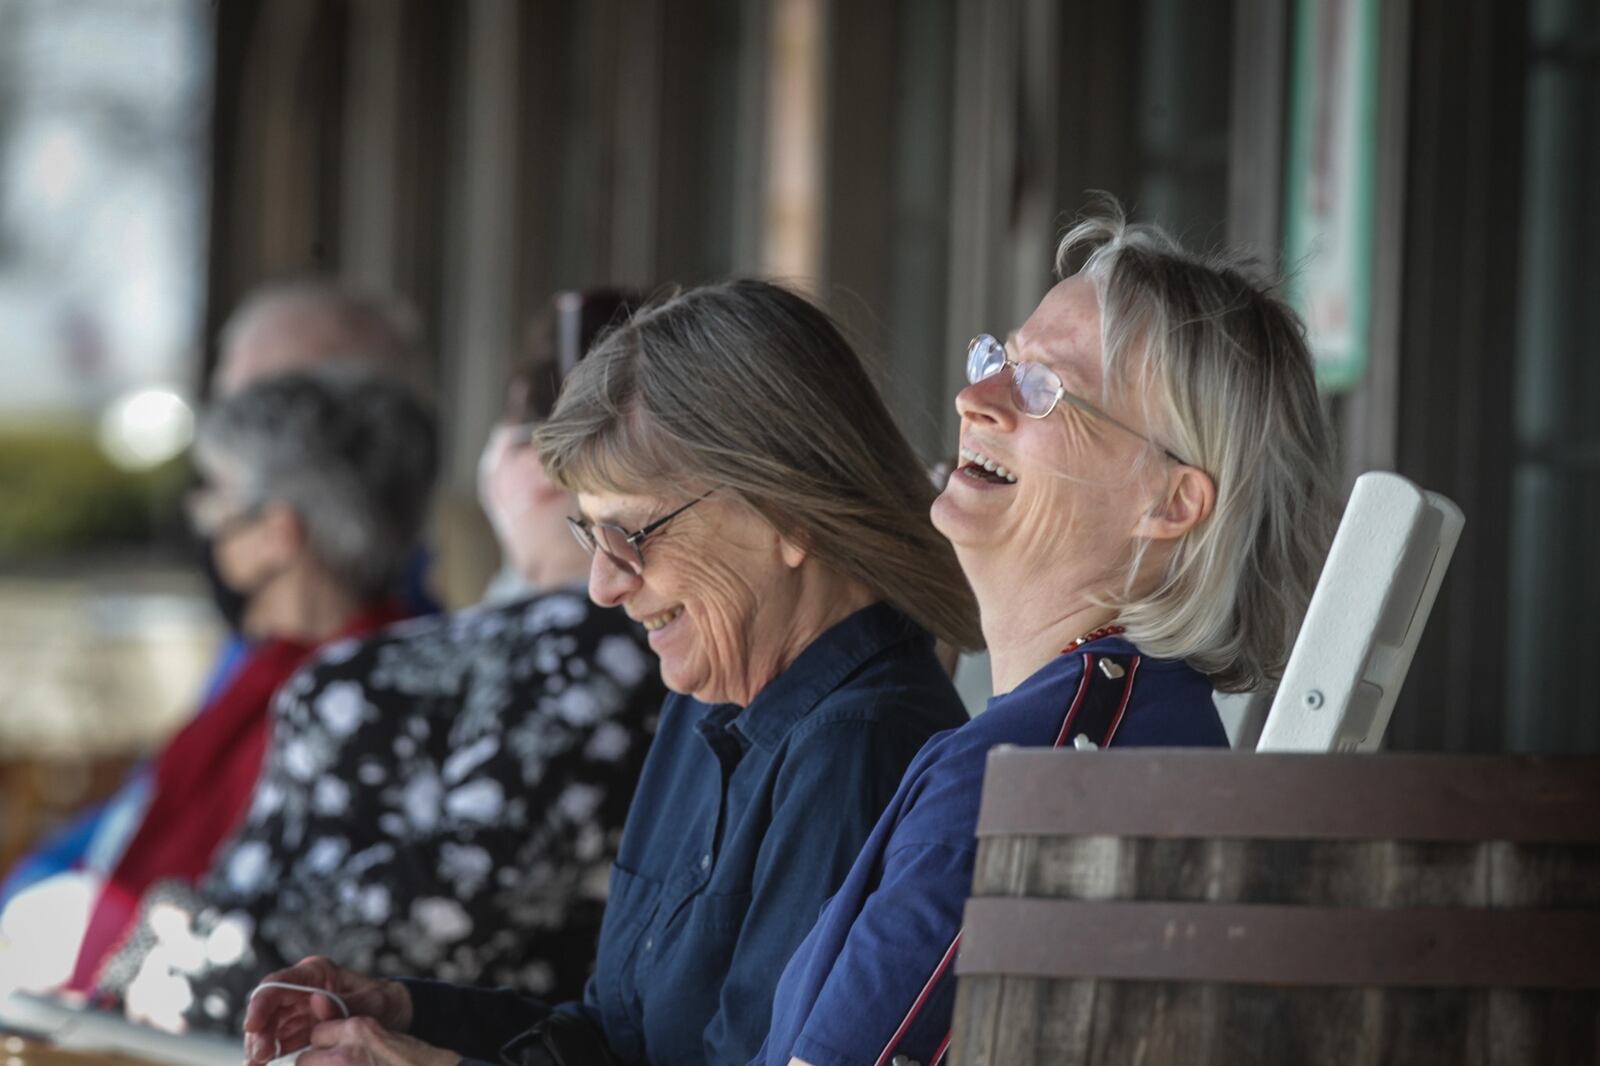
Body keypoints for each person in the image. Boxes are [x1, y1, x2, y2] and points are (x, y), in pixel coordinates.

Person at [242, 279, 984, 1066]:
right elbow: (615, 1038)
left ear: (785, 512)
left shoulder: (859, 747)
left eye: (633, 533)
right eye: (588, 534)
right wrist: (408, 1012)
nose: (603, 584)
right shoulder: (708, 705)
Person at [753, 203, 1342, 1066]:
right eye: (1000, 359)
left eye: (1044, 386)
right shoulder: (1119, 727)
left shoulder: (1036, 780)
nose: (972, 398)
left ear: (1170, 503)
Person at [97, 291, 667, 1035]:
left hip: (338, 1022)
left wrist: (194, 967)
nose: (511, 457)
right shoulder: (493, 639)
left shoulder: (588, 648)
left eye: (529, 427)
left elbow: (468, 890)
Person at [0, 280, 432, 924]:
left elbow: (214, 910)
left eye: (274, 399)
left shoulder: (363, 682)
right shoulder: (270, 653)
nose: (205, 519)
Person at [59, 369, 438, 995]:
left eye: (216, 499)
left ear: (278, 532)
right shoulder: (276, 664)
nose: (204, 522)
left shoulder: (352, 688)